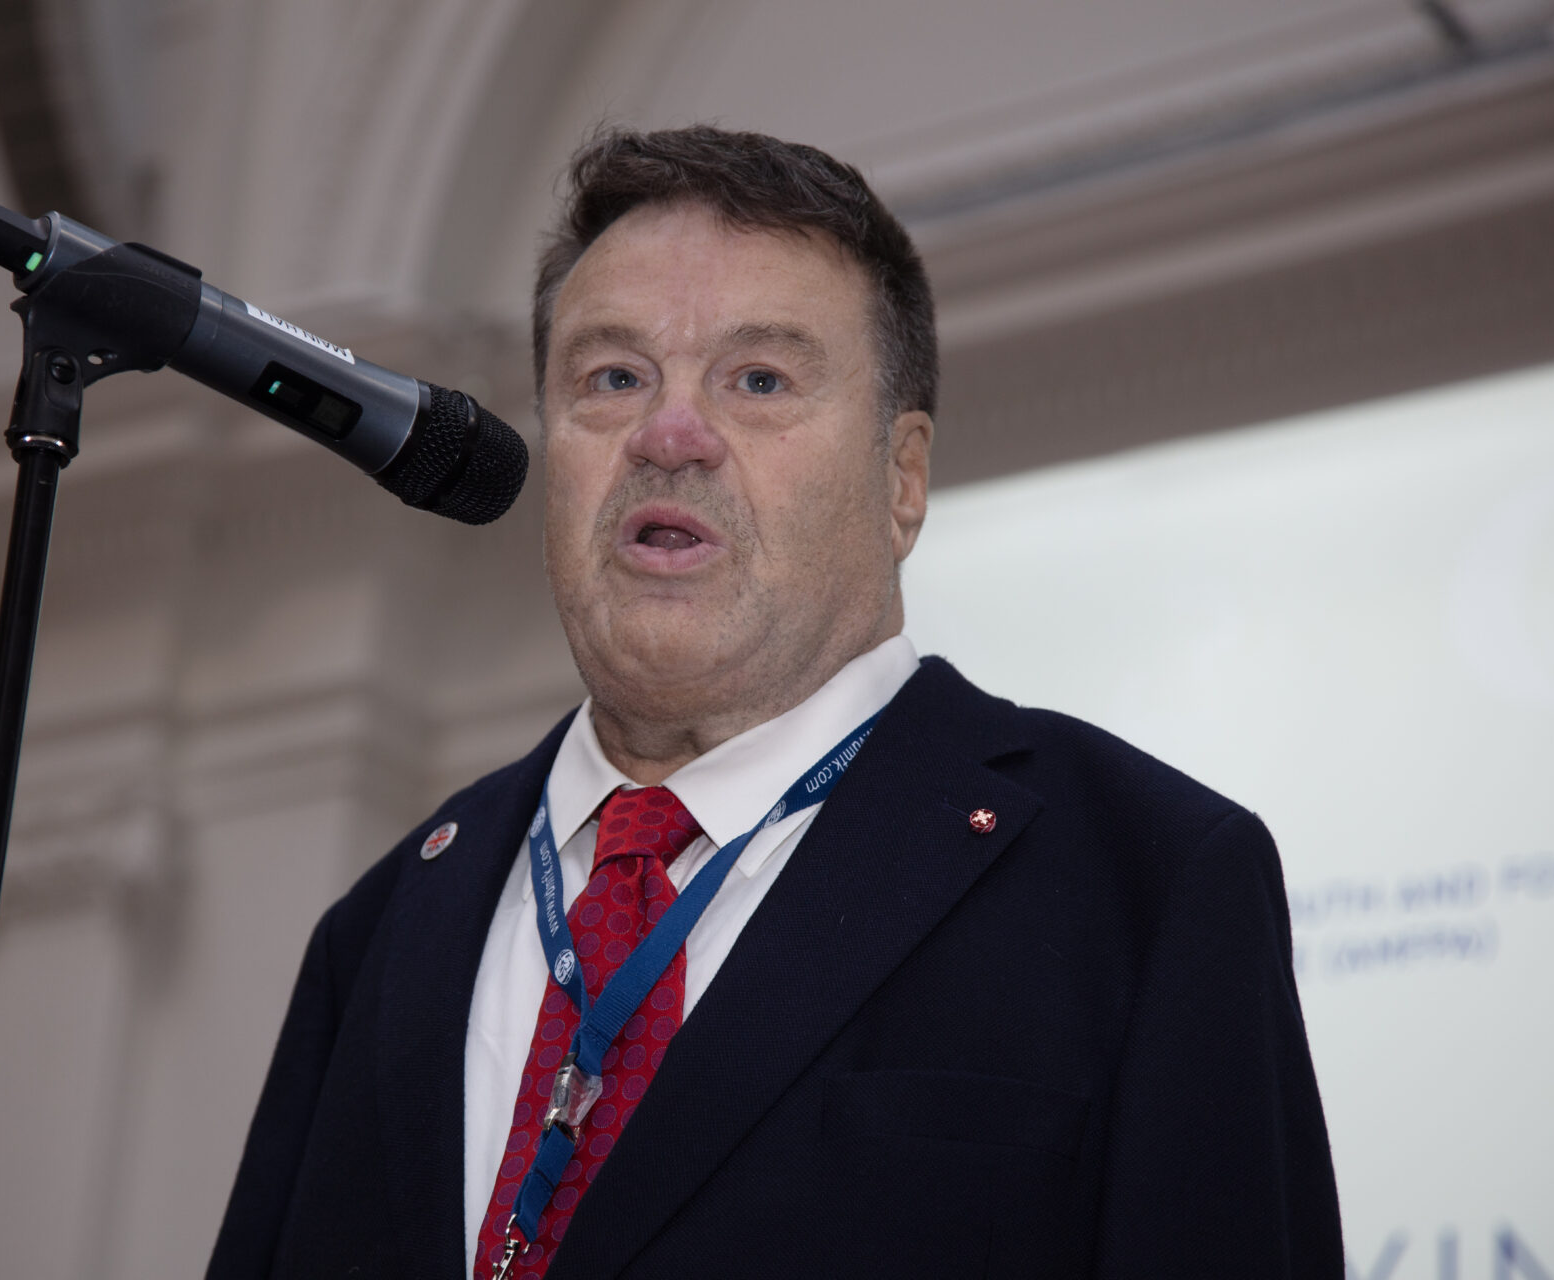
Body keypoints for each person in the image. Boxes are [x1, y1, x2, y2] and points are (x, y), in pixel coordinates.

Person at [205, 125, 1342, 1279]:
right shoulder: (387, 926)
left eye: (759, 379)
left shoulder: (1144, 879)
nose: (669, 435)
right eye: (613, 378)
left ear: (902, 479)